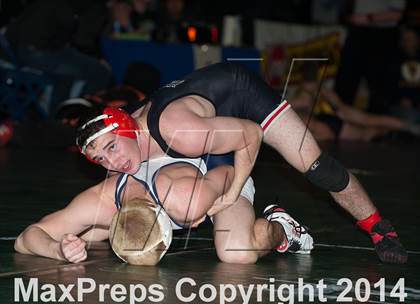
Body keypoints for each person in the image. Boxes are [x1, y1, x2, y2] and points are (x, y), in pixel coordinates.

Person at [76, 62, 408, 264]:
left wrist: (232, 191)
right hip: (204, 121)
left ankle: (379, 228)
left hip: (243, 97)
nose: (111, 162)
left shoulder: (179, 132)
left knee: (317, 166)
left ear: (128, 132)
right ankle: (278, 227)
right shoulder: (121, 140)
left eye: (110, 151)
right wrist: (81, 236)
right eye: (100, 159)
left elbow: (250, 135)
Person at [14, 151, 313, 264]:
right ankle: (93, 237)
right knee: (88, 235)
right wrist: (57, 251)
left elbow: (229, 173)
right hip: (172, 193)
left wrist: (214, 201)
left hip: (219, 176)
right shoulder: (101, 202)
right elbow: (27, 237)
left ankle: (282, 226)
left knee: (236, 253)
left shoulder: (182, 193)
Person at [290, 69, 420, 141]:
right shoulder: (303, 96)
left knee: (368, 121)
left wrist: (338, 109)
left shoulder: (324, 92)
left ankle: (408, 127)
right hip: (328, 120)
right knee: (366, 132)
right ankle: (394, 130)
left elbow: (340, 108)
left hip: (335, 116)